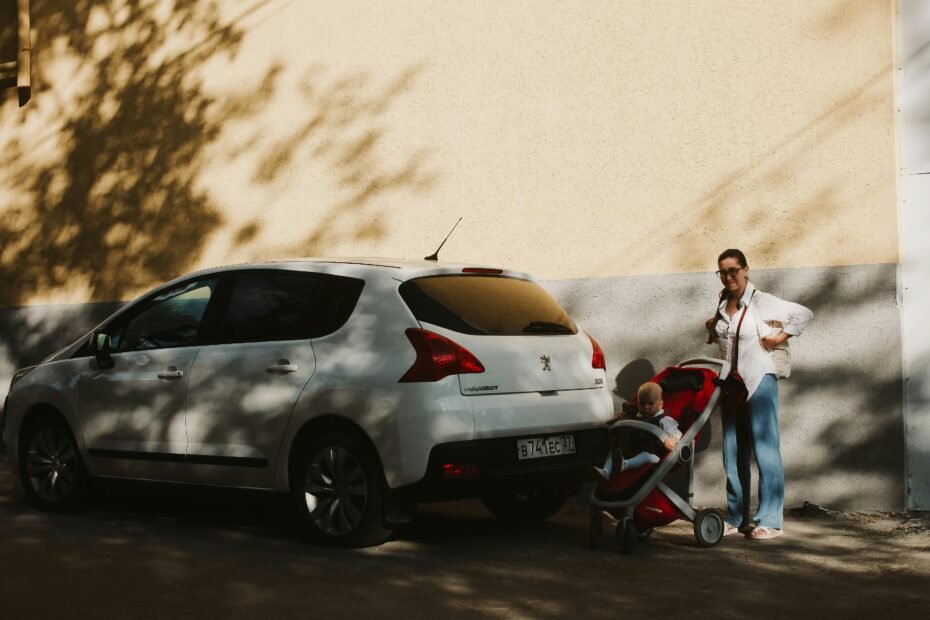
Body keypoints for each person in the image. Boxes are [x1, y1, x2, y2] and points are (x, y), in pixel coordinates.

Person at [707, 248, 813, 541]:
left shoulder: (761, 301)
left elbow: (803, 313)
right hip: (730, 385)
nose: (728, 276)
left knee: (765, 451)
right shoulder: (723, 302)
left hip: (759, 381)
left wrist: (778, 338)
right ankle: (737, 516)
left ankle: (770, 520)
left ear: (745, 270)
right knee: (732, 454)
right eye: (723, 272)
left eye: (733, 270)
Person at [592, 382, 681, 482]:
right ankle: (606, 472)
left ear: (660, 404)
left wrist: (672, 439)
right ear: (638, 402)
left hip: (653, 455)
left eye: (650, 404)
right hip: (633, 450)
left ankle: (624, 465)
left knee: (645, 456)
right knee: (615, 453)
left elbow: (676, 432)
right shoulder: (637, 416)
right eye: (642, 403)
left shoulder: (664, 420)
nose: (646, 407)